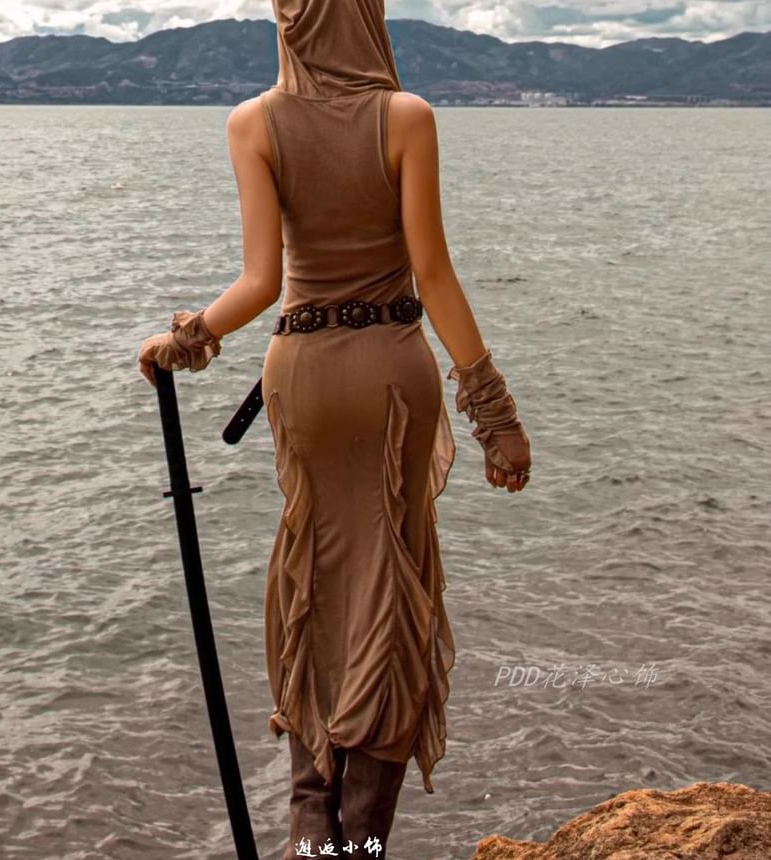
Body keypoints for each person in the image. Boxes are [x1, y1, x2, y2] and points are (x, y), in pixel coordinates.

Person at [137, 1, 532, 855]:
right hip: (392, 373)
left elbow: (259, 282)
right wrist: (495, 414)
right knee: (392, 582)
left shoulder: (252, 123)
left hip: (304, 375)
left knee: (313, 575)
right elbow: (433, 272)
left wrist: (182, 341)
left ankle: (309, 821)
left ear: (292, 24)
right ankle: (361, 840)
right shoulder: (406, 117)